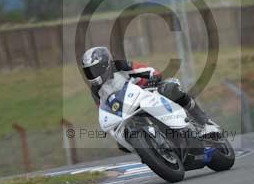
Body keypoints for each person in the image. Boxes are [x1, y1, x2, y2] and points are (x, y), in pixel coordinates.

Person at [81, 46, 212, 126]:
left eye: (95, 69)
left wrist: (153, 76)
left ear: (105, 64)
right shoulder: (96, 90)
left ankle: (201, 118)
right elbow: (103, 110)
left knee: (170, 88)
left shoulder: (120, 66)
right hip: (128, 111)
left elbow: (146, 70)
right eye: (89, 71)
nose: (92, 74)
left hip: (147, 91)